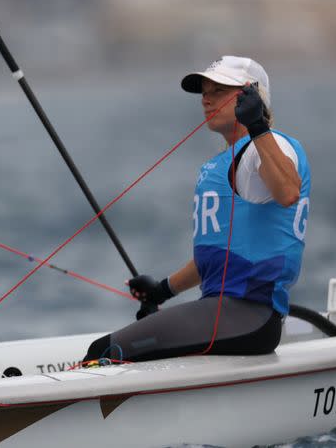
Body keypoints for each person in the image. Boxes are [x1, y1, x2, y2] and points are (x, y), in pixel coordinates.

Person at [84, 55, 310, 363]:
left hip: (247, 315)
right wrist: (162, 290)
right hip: (226, 315)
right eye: (204, 91)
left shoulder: (270, 148)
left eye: (218, 90)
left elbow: (288, 192)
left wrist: (257, 125)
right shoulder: (228, 159)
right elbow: (218, 256)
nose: (206, 99)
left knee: (106, 351)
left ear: (250, 95)